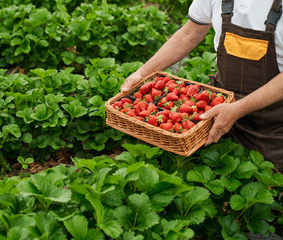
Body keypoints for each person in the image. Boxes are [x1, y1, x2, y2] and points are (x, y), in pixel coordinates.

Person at [120, 0, 283, 172]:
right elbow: (189, 34)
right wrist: (142, 72)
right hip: (217, 112)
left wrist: (238, 108)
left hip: (274, 125)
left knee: (268, 184)